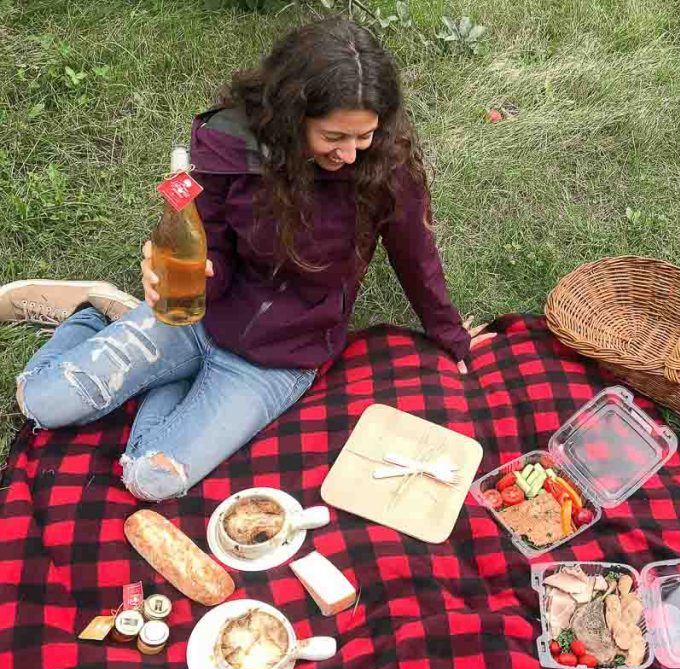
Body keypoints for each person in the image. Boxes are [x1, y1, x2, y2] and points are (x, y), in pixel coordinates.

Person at [0, 18, 495, 501]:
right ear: (290, 114)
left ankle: (166, 379)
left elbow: (415, 252)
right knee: (41, 402)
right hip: (197, 315)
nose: (350, 154)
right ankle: (91, 314)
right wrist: (191, 273)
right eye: (333, 137)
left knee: (153, 480)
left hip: (280, 356)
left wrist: (449, 334)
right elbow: (202, 232)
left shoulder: (386, 163)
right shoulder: (228, 143)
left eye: (362, 136)